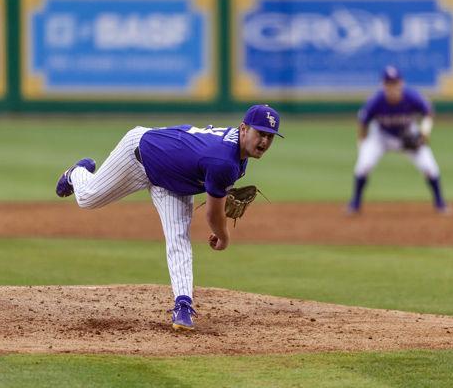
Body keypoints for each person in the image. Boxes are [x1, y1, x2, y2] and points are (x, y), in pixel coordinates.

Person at [55, 104, 283, 331]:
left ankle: (183, 306)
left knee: (179, 238)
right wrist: (223, 236)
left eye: (270, 137)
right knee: (87, 198)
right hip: (139, 155)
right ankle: (77, 173)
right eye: (260, 133)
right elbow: (213, 214)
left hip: (173, 182)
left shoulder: (235, 149)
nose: (264, 141)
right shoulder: (224, 162)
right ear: (244, 129)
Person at [348, 66, 448, 214]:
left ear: (401, 83)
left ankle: (440, 204)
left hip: (407, 135)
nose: (392, 87)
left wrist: (425, 131)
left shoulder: (411, 97)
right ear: (383, 85)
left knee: (430, 167)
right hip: (380, 138)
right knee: (363, 166)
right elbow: (362, 122)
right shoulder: (376, 100)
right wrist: (362, 144)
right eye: (389, 84)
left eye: (395, 83)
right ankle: (355, 204)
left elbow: (429, 112)